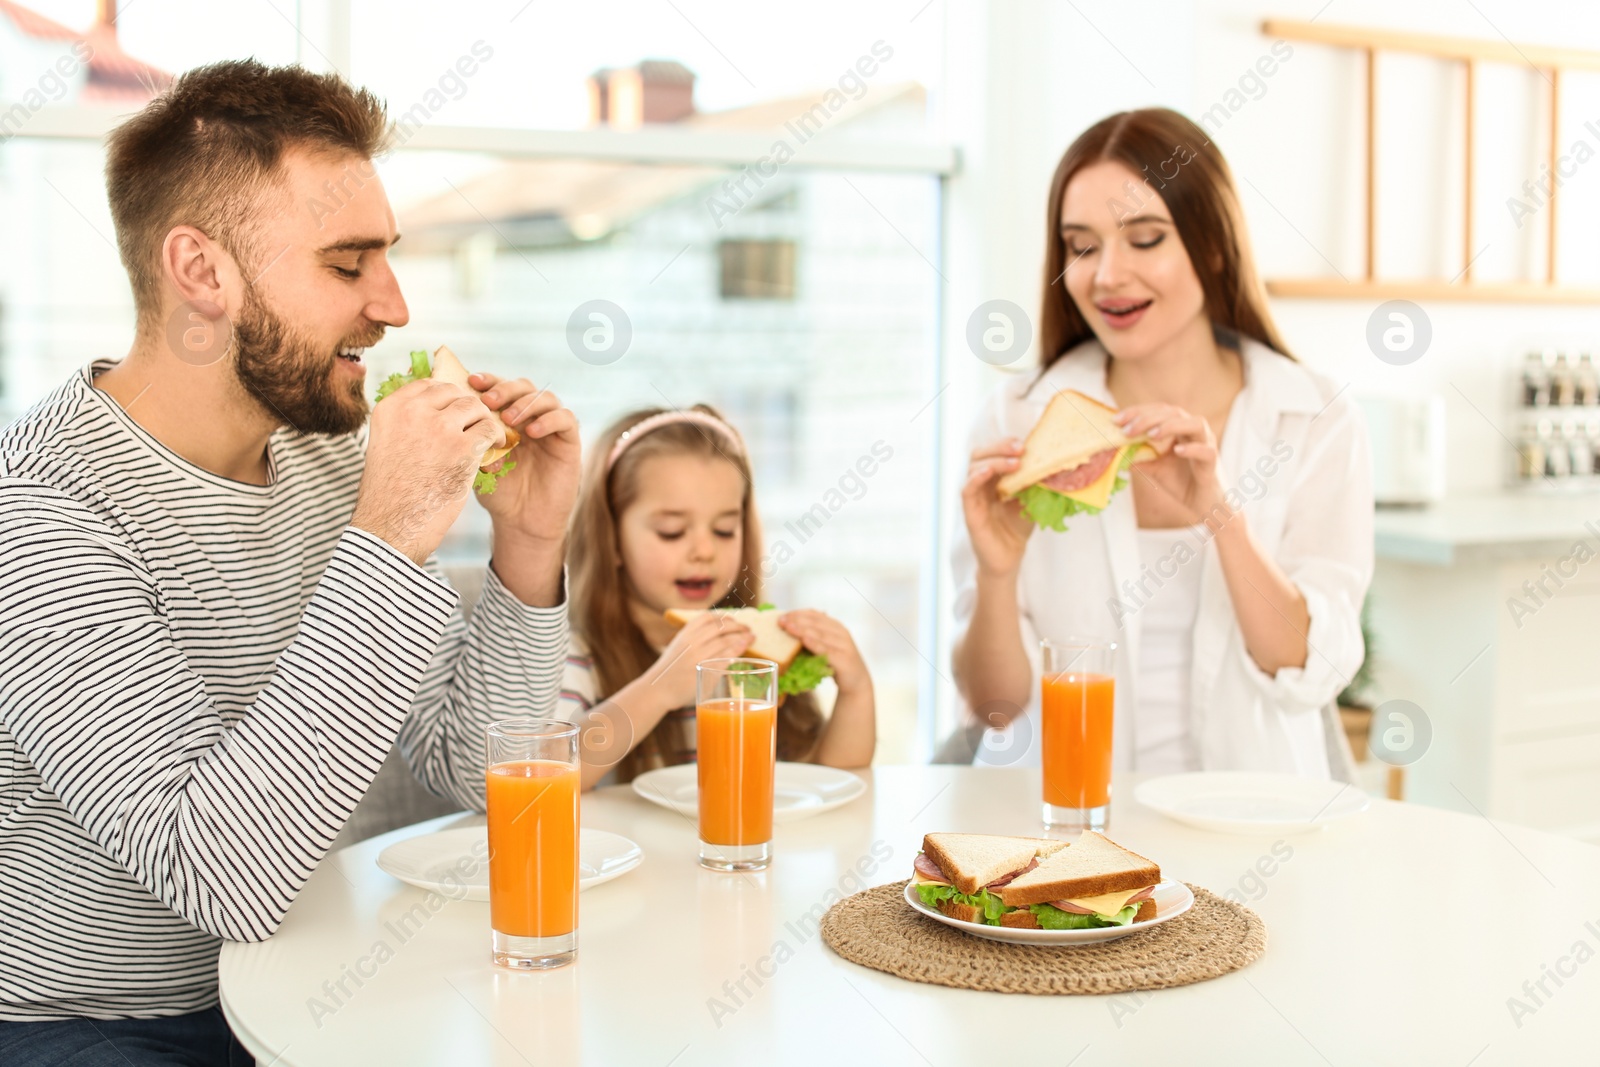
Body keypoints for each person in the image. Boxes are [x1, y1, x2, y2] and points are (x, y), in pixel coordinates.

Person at [0, 62, 579, 1062]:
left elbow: (471, 765)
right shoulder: (43, 514)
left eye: (387, 259)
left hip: (316, 965)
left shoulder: (326, 453)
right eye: (348, 265)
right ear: (202, 272)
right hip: (101, 1022)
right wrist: (390, 533)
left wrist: (526, 543)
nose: (394, 304)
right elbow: (223, 875)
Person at [952, 108, 1373, 779]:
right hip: (1069, 837)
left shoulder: (1314, 418)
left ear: (1211, 245)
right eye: (1082, 245)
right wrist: (996, 574)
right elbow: (995, 709)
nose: (1107, 275)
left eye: (1145, 239)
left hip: (1253, 835)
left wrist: (1222, 516)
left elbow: (1308, 670)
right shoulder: (1015, 421)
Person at [561, 405, 875, 788]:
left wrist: (855, 688)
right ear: (610, 539)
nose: (704, 551)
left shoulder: (755, 650)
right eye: (672, 531)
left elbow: (829, 779)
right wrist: (658, 689)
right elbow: (553, 772)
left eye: (725, 530)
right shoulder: (576, 653)